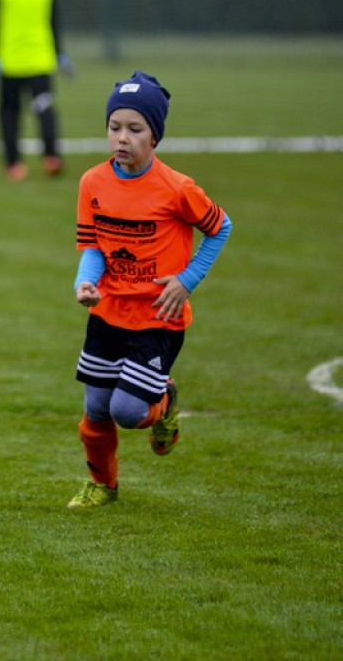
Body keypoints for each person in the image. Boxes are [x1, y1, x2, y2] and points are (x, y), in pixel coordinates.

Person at [67, 71, 232, 509]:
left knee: (127, 411)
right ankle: (103, 486)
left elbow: (220, 228)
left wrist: (186, 279)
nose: (122, 138)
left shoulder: (177, 188)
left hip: (159, 316)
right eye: (114, 127)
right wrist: (85, 282)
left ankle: (164, 398)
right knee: (96, 409)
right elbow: (92, 246)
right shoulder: (92, 183)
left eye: (135, 129)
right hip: (107, 313)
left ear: (155, 136)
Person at [0, 0, 74, 182]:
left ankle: (51, 157)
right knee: (10, 113)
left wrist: (60, 53)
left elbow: (54, 22)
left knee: (44, 109)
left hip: (39, 61)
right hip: (9, 63)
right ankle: (14, 163)